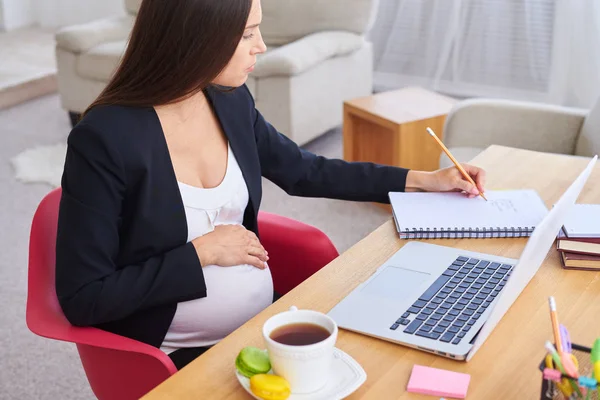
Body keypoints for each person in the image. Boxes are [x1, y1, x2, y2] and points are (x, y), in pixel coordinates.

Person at [55, 0, 486, 370]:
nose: (260, 46)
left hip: (266, 321)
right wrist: (202, 252)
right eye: (248, 35)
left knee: (394, 351)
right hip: (180, 355)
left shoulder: (229, 100)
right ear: (198, 39)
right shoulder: (104, 140)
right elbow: (84, 297)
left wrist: (421, 180)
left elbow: (305, 170)